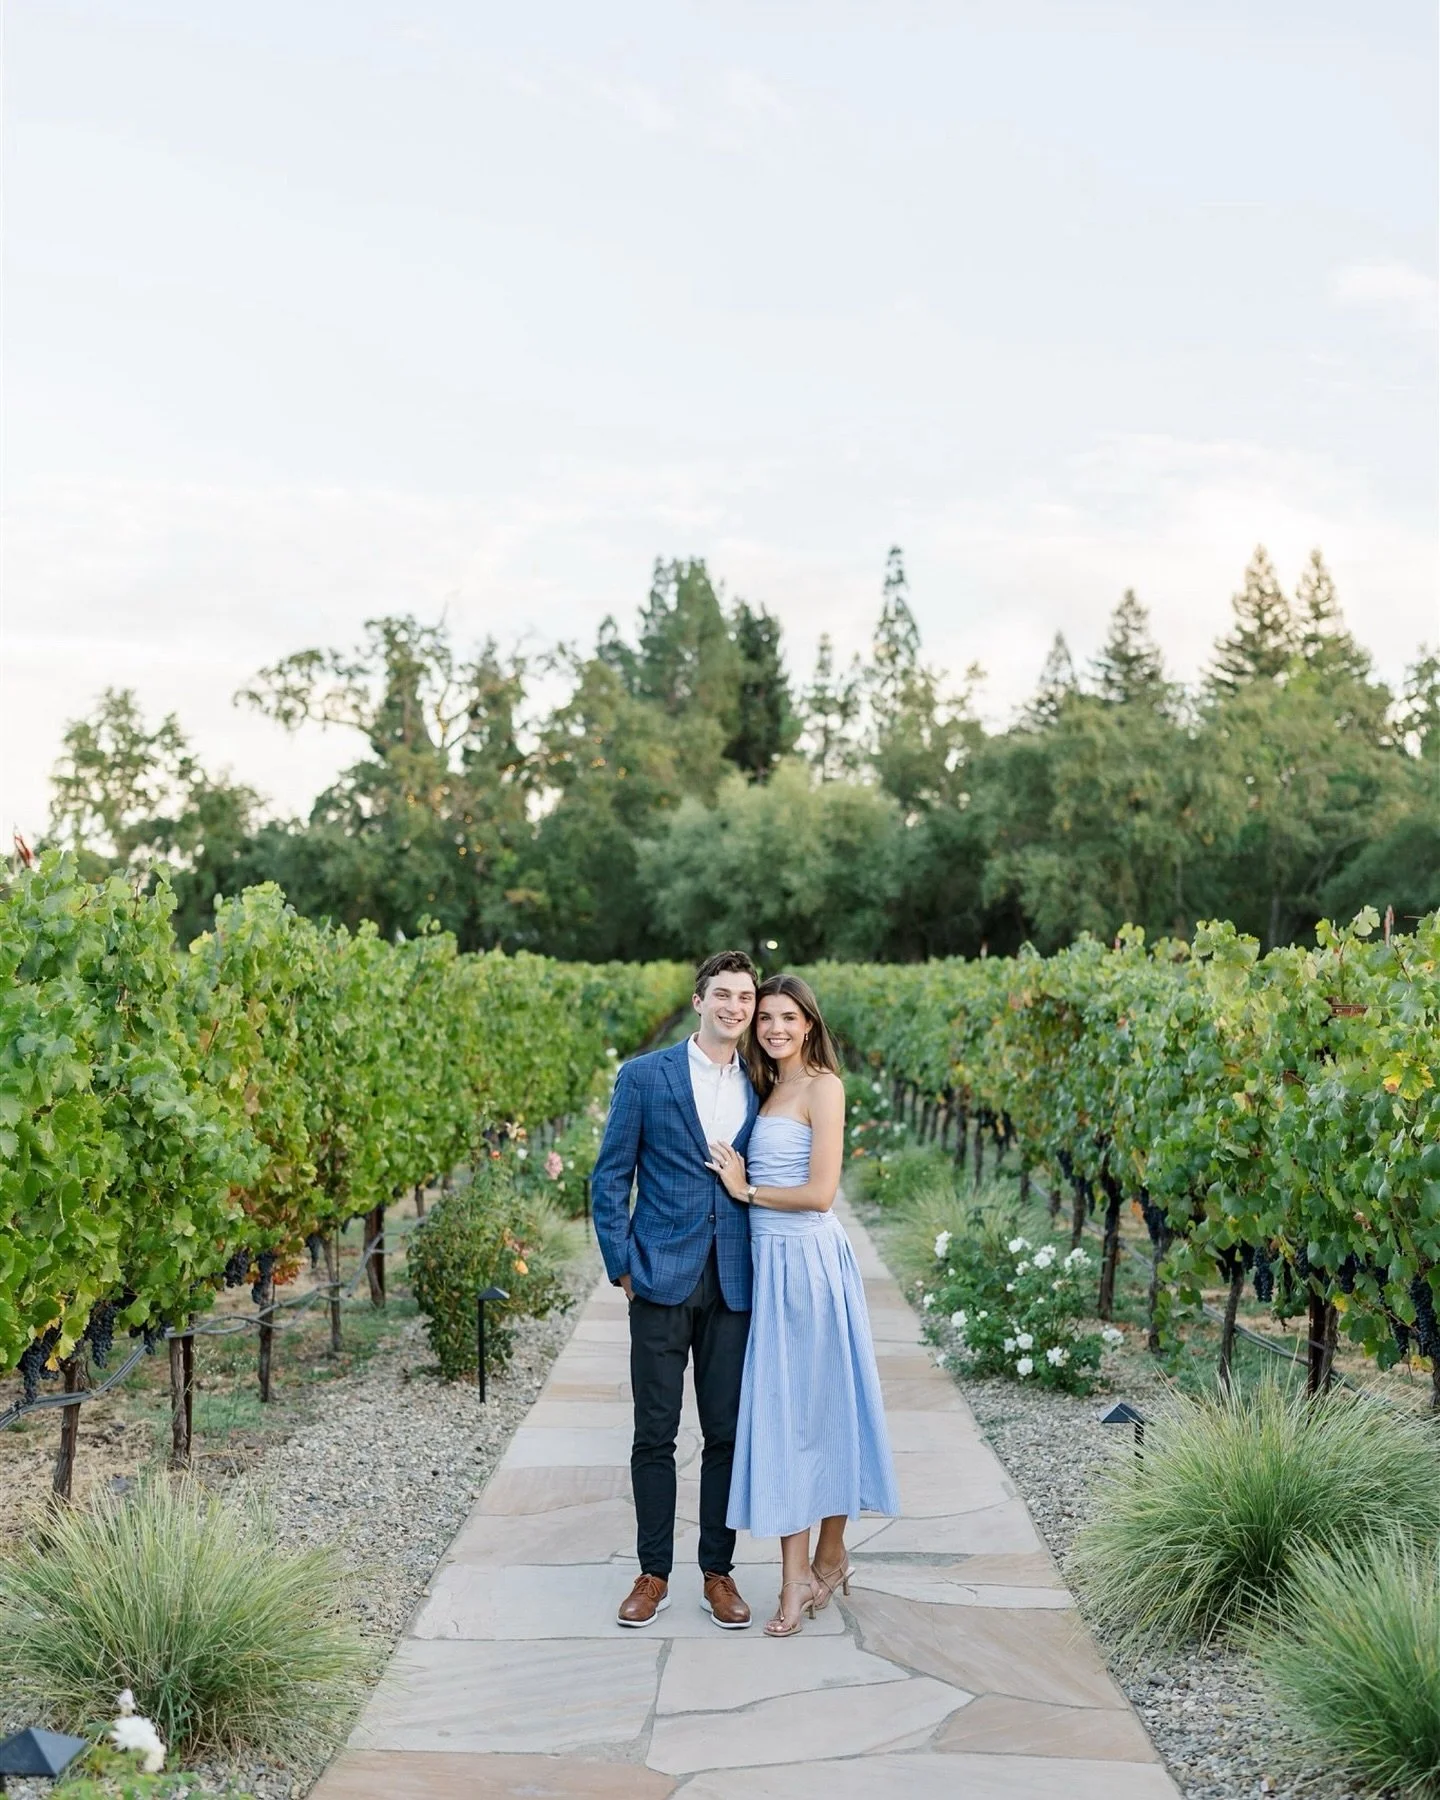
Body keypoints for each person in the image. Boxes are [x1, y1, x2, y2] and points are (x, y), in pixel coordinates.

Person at [705, 973, 899, 1637]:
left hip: (811, 1267)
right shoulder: (765, 1088)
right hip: (768, 1270)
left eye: (788, 1017)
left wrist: (747, 1189)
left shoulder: (824, 1086)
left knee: (824, 1410)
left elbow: (821, 1194)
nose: (775, 1027)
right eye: (767, 1017)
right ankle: (797, 1577)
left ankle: (830, 1554)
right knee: (783, 1420)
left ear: (810, 1023)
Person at [591, 949, 761, 1631]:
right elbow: (608, 1178)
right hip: (659, 1277)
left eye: (745, 998)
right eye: (723, 995)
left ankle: (718, 1573)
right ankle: (652, 1573)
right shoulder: (645, 1076)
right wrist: (624, 1266)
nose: (735, 1008)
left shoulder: (765, 1079)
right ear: (699, 1002)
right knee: (654, 1433)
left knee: (726, 1433)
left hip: (736, 1280)